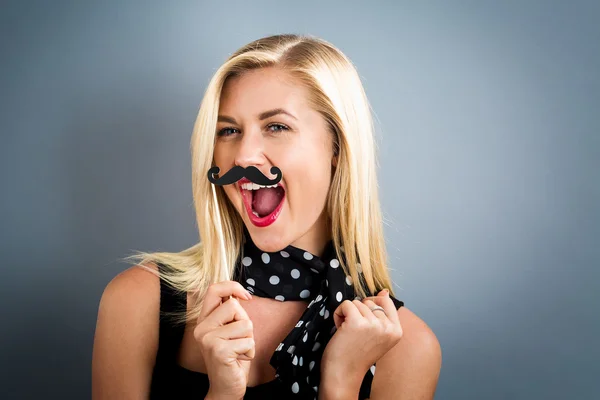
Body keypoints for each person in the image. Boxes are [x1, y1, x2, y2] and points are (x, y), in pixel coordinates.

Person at [92, 34, 442, 400]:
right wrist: (223, 393)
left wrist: (340, 383)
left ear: (337, 146)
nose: (243, 157)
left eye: (276, 126)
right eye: (229, 130)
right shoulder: (138, 302)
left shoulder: (407, 348)